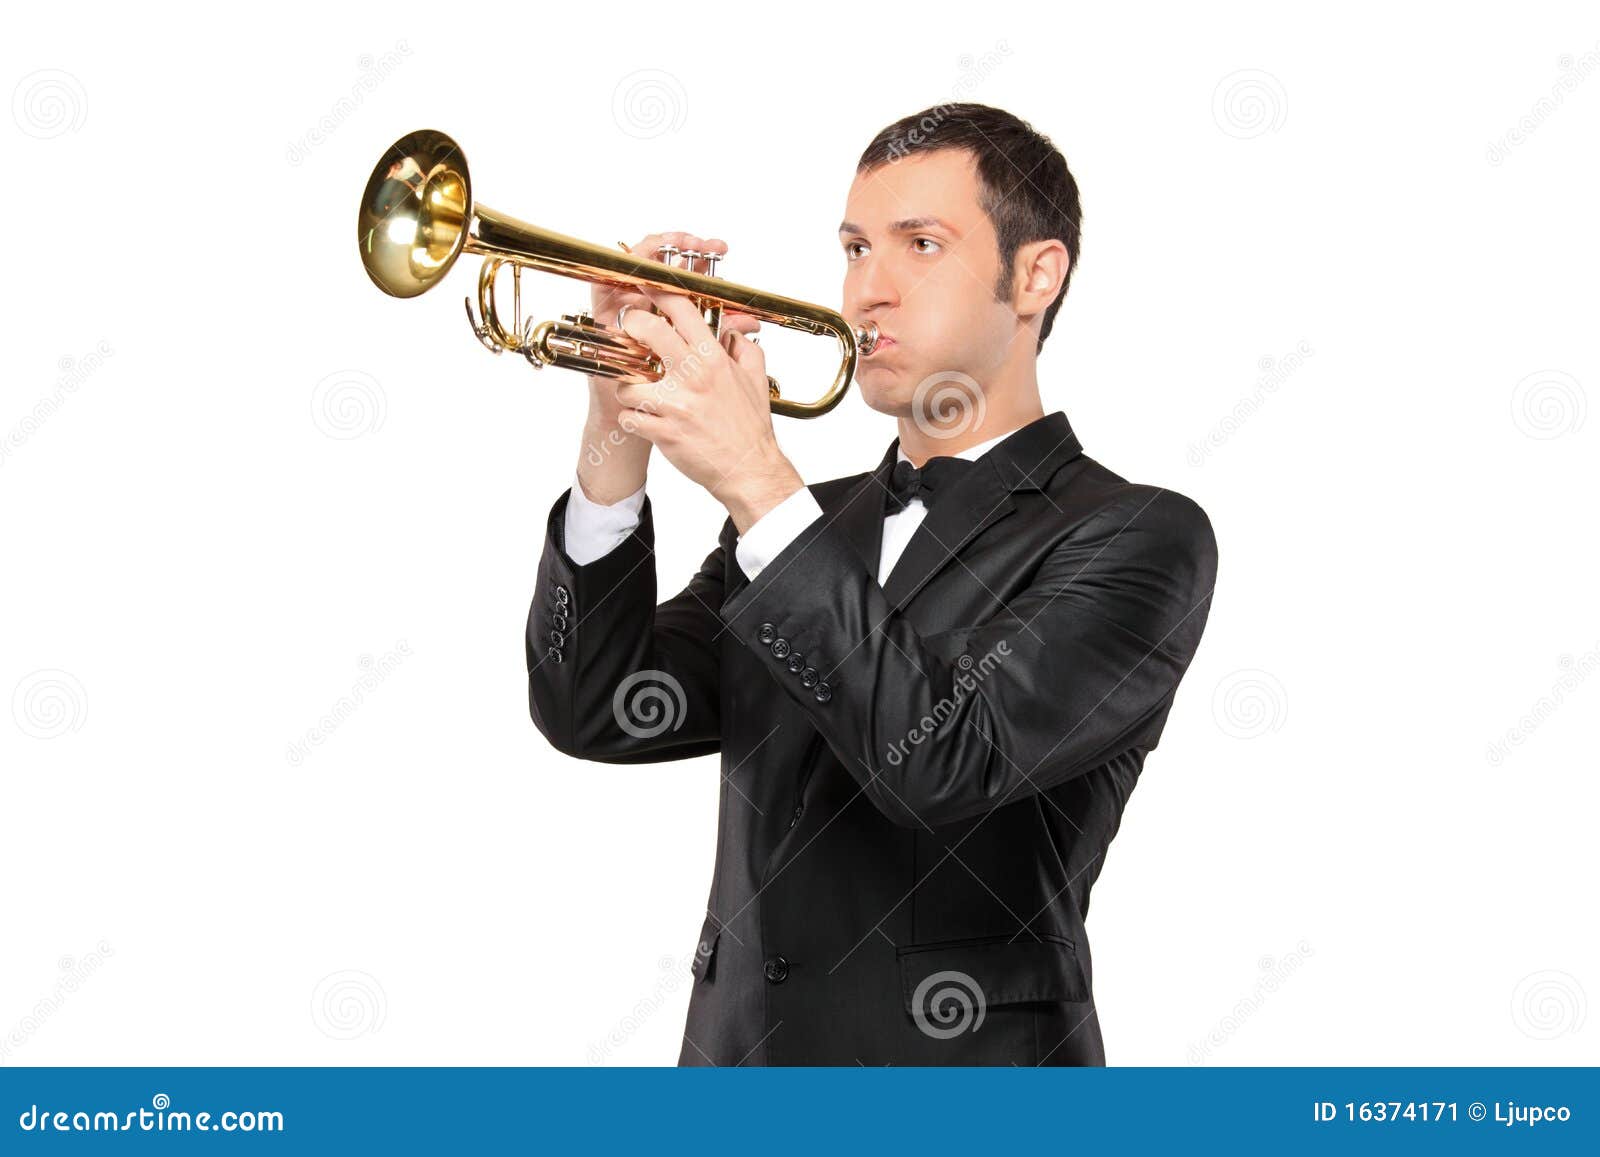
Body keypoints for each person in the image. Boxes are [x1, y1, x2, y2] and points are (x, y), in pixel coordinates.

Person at [527, 103, 1218, 1065]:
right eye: (855, 248)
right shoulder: (804, 524)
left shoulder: (1136, 535)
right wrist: (614, 433)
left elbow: (940, 763)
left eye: (921, 245)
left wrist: (759, 481)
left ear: (1036, 276)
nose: (867, 292)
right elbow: (601, 712)